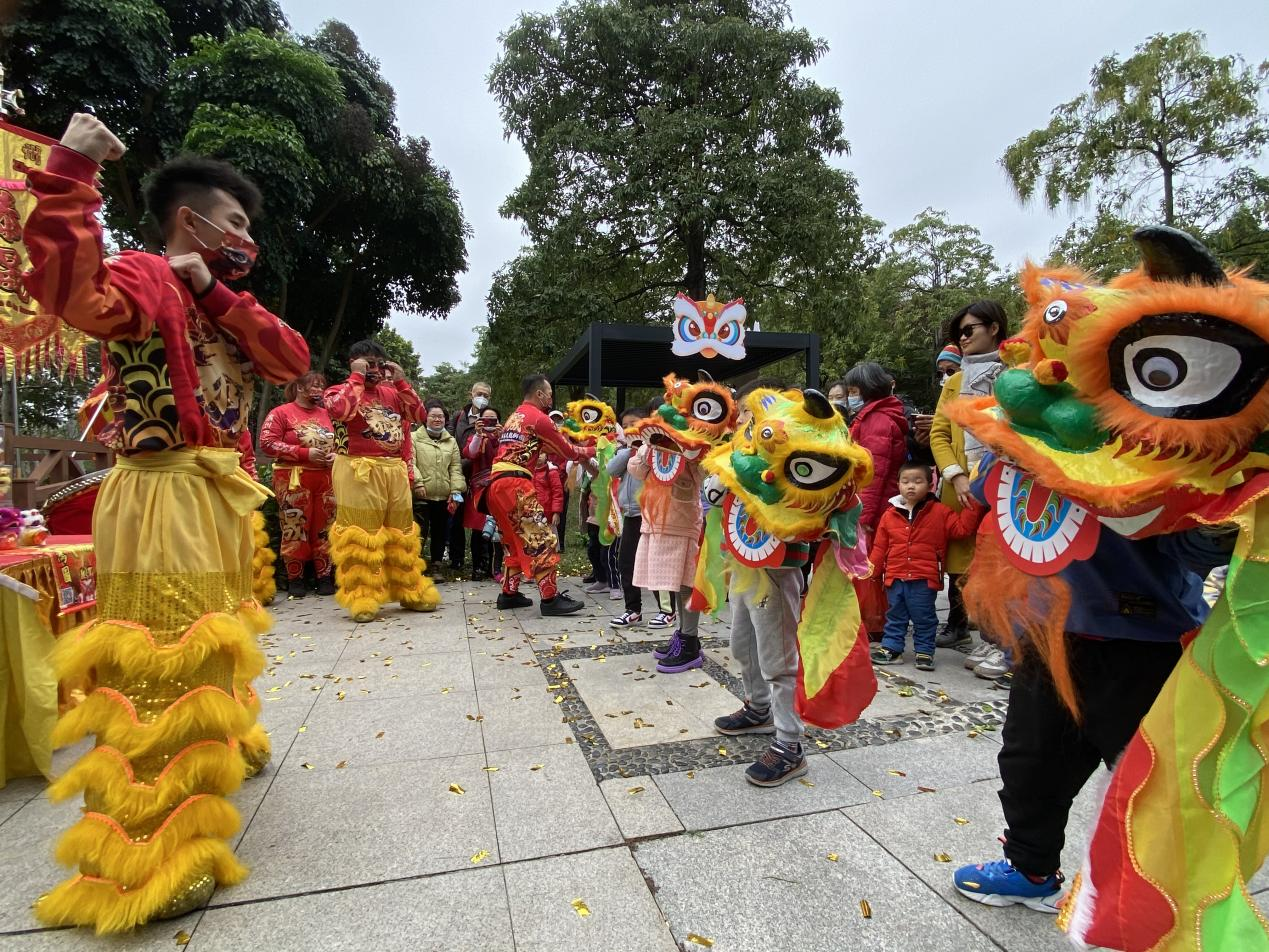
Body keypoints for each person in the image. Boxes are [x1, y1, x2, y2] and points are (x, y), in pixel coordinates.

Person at [24, 113, 310, 931]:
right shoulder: (144, 275)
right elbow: (69, 291)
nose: (246, 237)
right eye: (238, 223)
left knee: (217, 636)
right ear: (193, 219)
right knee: (162, 659)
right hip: (160, 493)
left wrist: (215, 289)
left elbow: (288, 359)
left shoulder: (218, 296)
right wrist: (71, 173)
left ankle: (223, 742)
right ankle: (147, 855)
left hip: (217, 496)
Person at [953, 459, 1235, 913]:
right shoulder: (1032, 425)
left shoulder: (1158, 433)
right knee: (1030, 761)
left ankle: (1166, 902)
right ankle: (1031, 868)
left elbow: (1200, 544)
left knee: (1153, 780)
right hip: (1048, 632)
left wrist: (1220, 523)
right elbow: (991, 489)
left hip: (1142, 637)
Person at [710, 379, 815, 786]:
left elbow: (809, 512)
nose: (745, 422)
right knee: (741, 642)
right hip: (743, 563)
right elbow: (719, 498)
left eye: (752, 413)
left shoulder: (798, 456)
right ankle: (757, 708)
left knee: (778, 657)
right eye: (743, 414)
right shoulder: (740, 453)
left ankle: (790, 743)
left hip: (776, 567)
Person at [324, 340, 439, 622]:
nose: (373, 369)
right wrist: (356, 377)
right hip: (357, 469)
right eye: (367, 363)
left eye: (377, 364)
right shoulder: (338, 390)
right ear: (353, 363)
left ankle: (409, 589)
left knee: (402, 533)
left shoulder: (392, 394)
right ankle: (362, 595)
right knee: (361, 533)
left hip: (394, 470)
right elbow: (340, 411)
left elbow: (420, 416)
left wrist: (401, 382)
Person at [930, 301, 1009, 675]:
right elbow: (940, 433)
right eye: (957, 334)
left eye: (968, 331)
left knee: (1002, 566)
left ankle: (1006, 644)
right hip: (961, 490)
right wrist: (957, 475)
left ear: (994, 328)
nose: (962, 340)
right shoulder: (956, 382)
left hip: (1004, 487)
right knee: (965, 568)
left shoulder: (1015, 373)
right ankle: (980, 636)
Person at [486, 374, 595, 615]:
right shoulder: (539, 419)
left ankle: (509, 594)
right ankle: (550, 599)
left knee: (513, 541)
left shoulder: (516, 417)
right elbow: (567, 451)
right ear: (539, 394)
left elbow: (542, 446)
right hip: (516, 484)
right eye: (549, 395)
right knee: (542, 540)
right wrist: (594, 448)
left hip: (496, 485)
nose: (550, 399)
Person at [868, 462, 984, 670]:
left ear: (930, 485)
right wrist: (871, 571)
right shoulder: (890, 514)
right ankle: (892, 649)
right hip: (895, 577)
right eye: (905, 482)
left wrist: (973, 503)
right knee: (895, 616)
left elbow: (961, 529)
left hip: (924, 579)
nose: (911, 486)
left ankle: (924, 651)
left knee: (924, 617)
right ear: (898, 485)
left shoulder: (940, 512)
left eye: (917, 481)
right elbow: (880, 546)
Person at [628, 431, 706, 673]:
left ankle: (690, 641)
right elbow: (636, 470)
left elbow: (705, 474)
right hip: (655, 520)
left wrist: (690, 452)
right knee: (677, 584)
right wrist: (648, 449)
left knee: (687, 583)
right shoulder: (653, 445)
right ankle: (684, 634)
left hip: (681, 523)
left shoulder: (695, 442)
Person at [844, 361, 910, 640]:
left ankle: (871, 622)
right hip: (876, 501)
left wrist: (864, 516)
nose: (850, 396)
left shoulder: (877, 420)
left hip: (872, 503)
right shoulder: (877, 416)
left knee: (866, 564)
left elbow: (874, 472)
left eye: (854, 389)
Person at [259, 371, 337, 597]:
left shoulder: (329, 414)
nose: (318, 390)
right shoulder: (281, 413)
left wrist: (337, 455)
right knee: (294, 525)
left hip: (326, 478)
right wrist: (303, 453)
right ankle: (296, 578)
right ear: (299, 388)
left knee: (325, 528)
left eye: (321, 385)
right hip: (293, 478)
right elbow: (267, 442)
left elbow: (343, 442)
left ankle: (324, 576)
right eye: (313, 386)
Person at [412, 400, 466, 578]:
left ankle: (436, 566)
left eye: (441, 416)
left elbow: (455, 468)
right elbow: (411, 463)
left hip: (443, 495)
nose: (437, 419)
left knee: (440, 532)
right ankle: (415, 565)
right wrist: (418, 483)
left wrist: (456, 490)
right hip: (422, 494)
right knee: (419, 531)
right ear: (425, 418)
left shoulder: (451, 442)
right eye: (433, 416)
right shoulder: (413, 438)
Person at [446, 381, 492, 571]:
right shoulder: (459, 417)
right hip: (458, 475)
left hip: (480, 477)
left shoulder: (491, 418)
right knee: (455, 517)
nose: (482, 398)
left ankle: (480, 561)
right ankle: (456, 559)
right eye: (479, 393)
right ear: (470, 394)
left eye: (486, 395)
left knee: (480, 518)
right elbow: (448, 441)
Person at [608, 408, 647, 626]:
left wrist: (641, 449)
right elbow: (611, 470)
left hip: (650, 514)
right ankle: (633, 610)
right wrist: (628, 450)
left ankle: (667, 611)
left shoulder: (654, 449)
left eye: (635, 423)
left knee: (655, 564)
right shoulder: (625, 453)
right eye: (626, 425)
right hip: (631, 514)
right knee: (626, 562)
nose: (631, 428)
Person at [461, 405, 502, 579]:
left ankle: (496, 567)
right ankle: (478, 566)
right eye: (486, 420)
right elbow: (470, 454)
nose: (489, 423)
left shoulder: (504, 438)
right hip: (479, 489)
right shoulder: (475, 437)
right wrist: (478, 434)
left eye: (493, 420)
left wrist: (501, 437)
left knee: (499, 528)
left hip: (500, 488)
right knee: (479, 529)